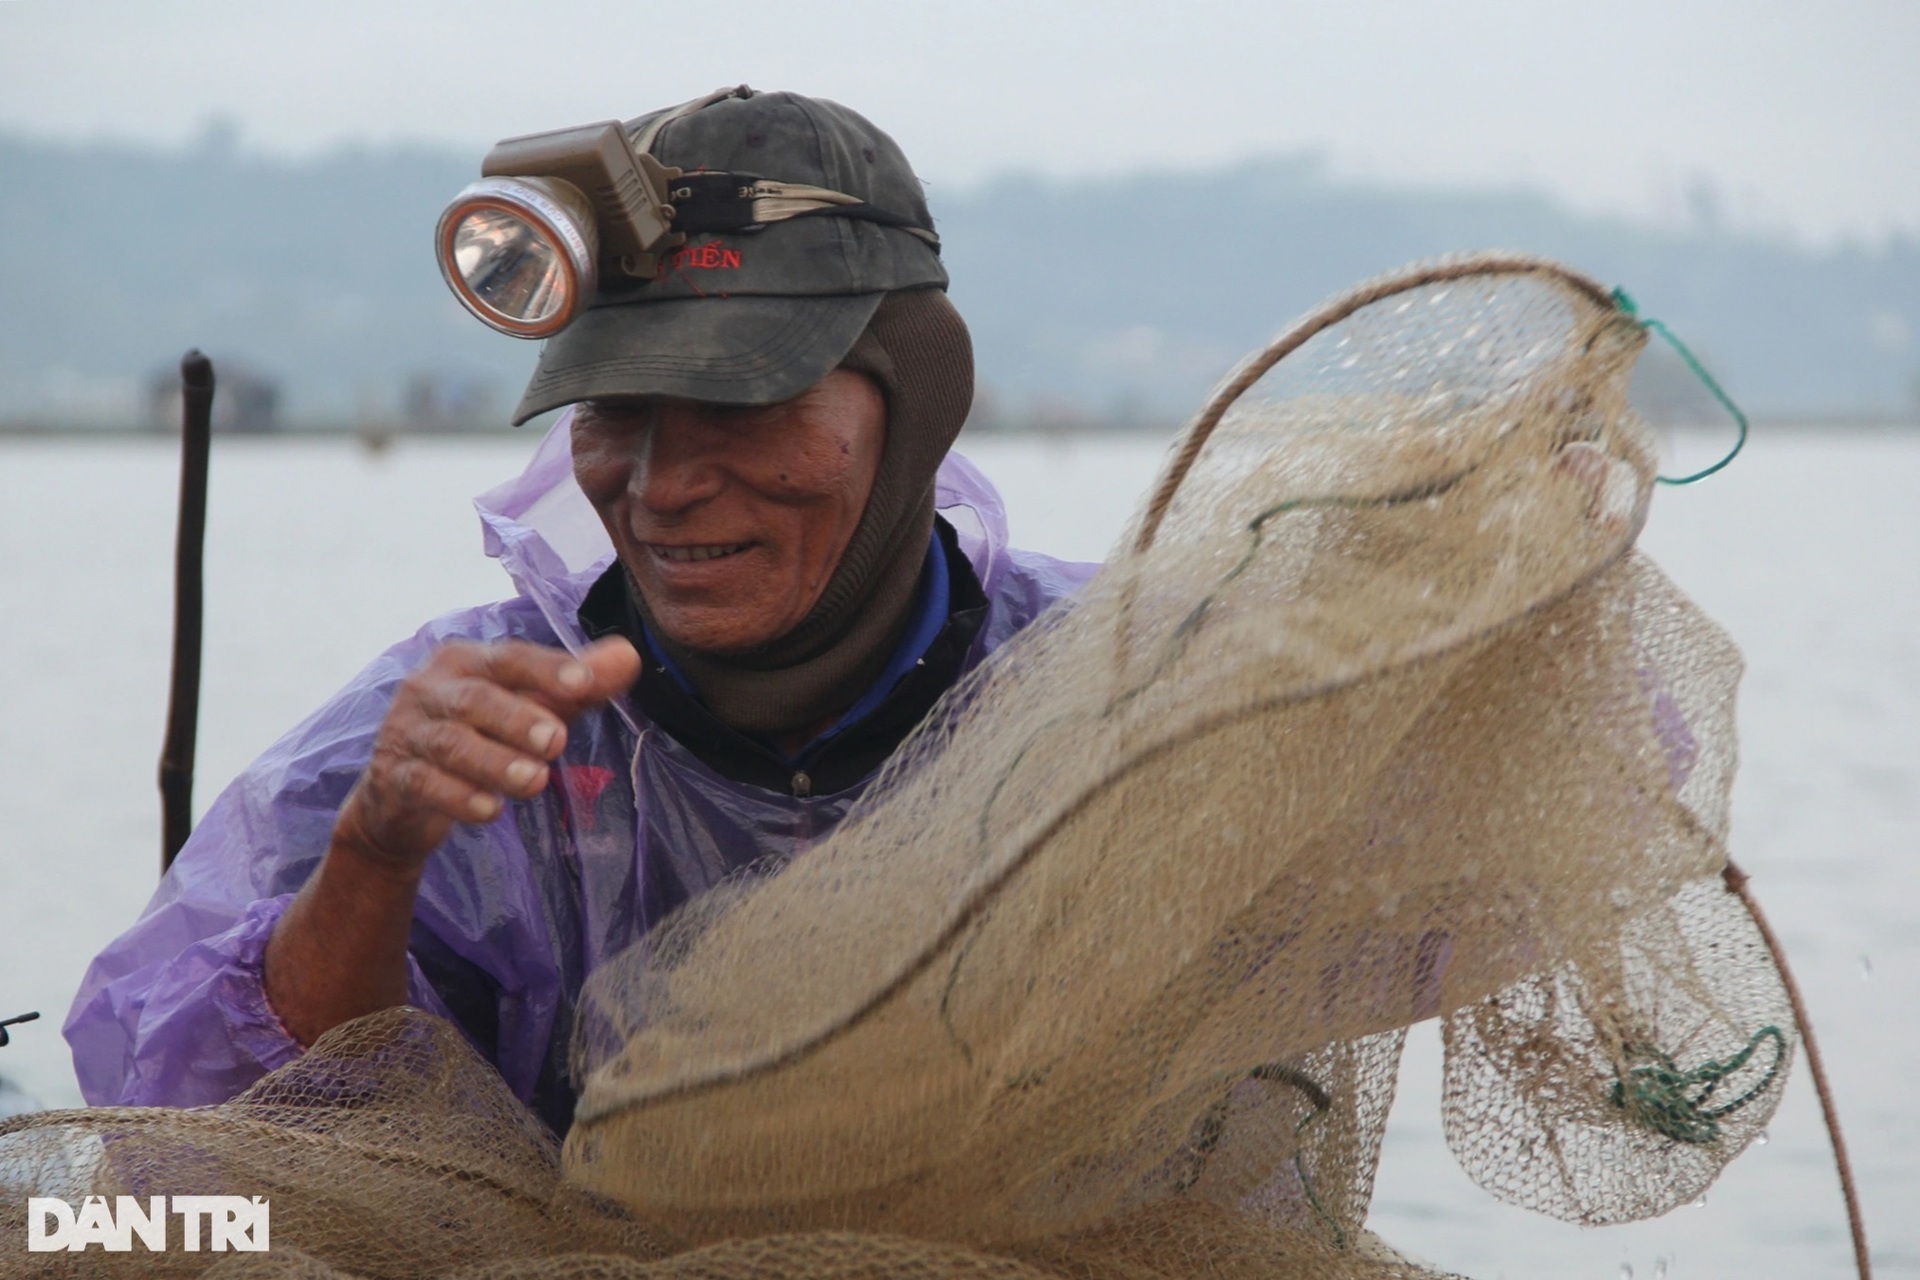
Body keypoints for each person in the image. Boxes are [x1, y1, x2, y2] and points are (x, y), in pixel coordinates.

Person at [65, 88, 1096, 1134]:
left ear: (918, 398)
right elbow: (214, 1135)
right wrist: (373, 856)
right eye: (616, 411)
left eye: (741, 404)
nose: (661, 484)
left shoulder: (1123, 679)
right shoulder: (455, 730)